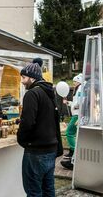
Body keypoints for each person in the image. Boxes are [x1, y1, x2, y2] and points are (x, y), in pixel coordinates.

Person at [17, 62, 59, 197]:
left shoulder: (32, 94)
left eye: (24, 77)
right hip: (51, 149)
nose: (22, 81)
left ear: (32, 78)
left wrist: (21, 140)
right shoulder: (49, 92)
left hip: (36, 152)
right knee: (48, 190)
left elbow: (27, 122)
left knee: (34, 192)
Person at [60, 73, 83, 170]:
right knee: (73, 133)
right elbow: (75, 103)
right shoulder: (77, 89)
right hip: (76, 114)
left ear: (79, 81)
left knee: (69, 132)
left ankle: (74, 151)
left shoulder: (81, 88)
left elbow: (80, 101)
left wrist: (74, 105)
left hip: (77, 115)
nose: (73, 83)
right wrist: (69, 103)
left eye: (75, 81)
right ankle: (73, 152)